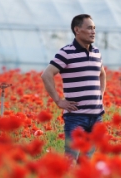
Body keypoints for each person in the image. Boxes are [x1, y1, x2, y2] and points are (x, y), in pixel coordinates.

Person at [41, 14, 106, 161]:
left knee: (87, 161)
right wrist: (58, 101)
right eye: (89, 28)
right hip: (76, 117)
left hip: (96, 117)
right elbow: (46, 75)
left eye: (94, 28)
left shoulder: (96, 52)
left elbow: (102, 74)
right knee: (71, 159)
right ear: (77, 30)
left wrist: (100, 96)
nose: (93, 31)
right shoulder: (66, 52)